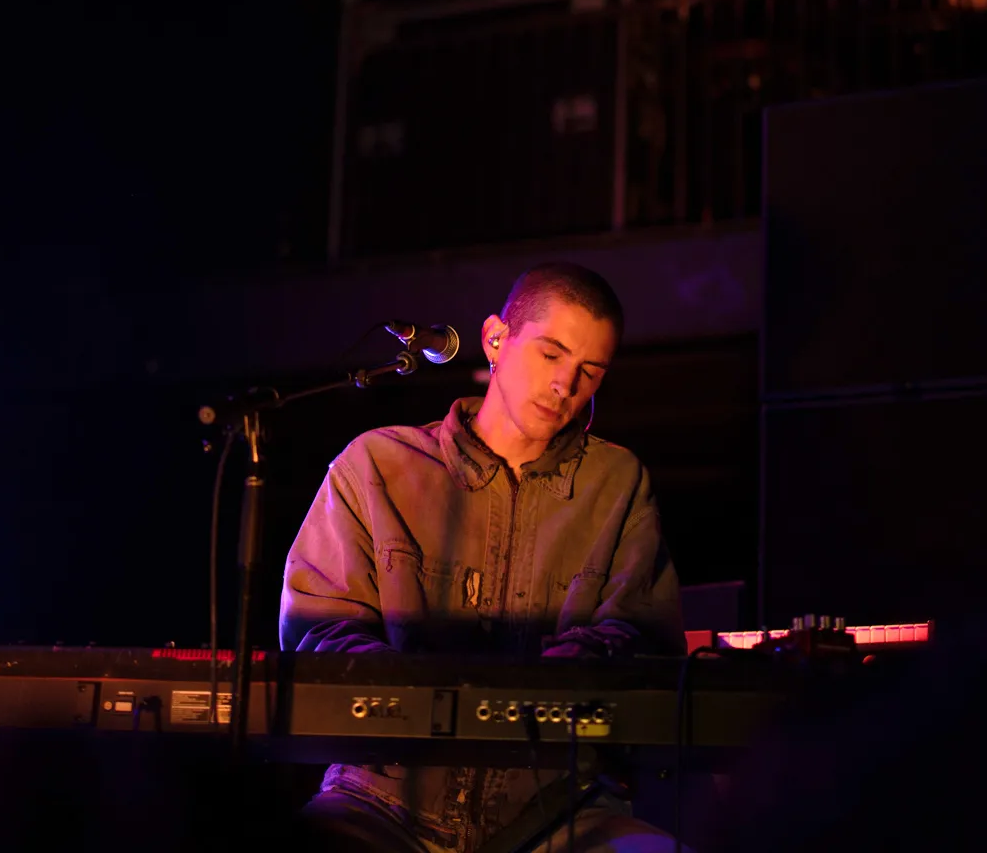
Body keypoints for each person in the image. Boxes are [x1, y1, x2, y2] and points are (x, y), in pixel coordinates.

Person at [279, 262, 688, 852]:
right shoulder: (375, 464)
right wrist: (417, 698)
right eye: (552, 355)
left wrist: (586, 660)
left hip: (558, 809)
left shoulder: (617, 481)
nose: (565, 386)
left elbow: (645, 634)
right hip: (381, 800)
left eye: (589, 371)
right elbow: (319, 630)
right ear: (496, 338)